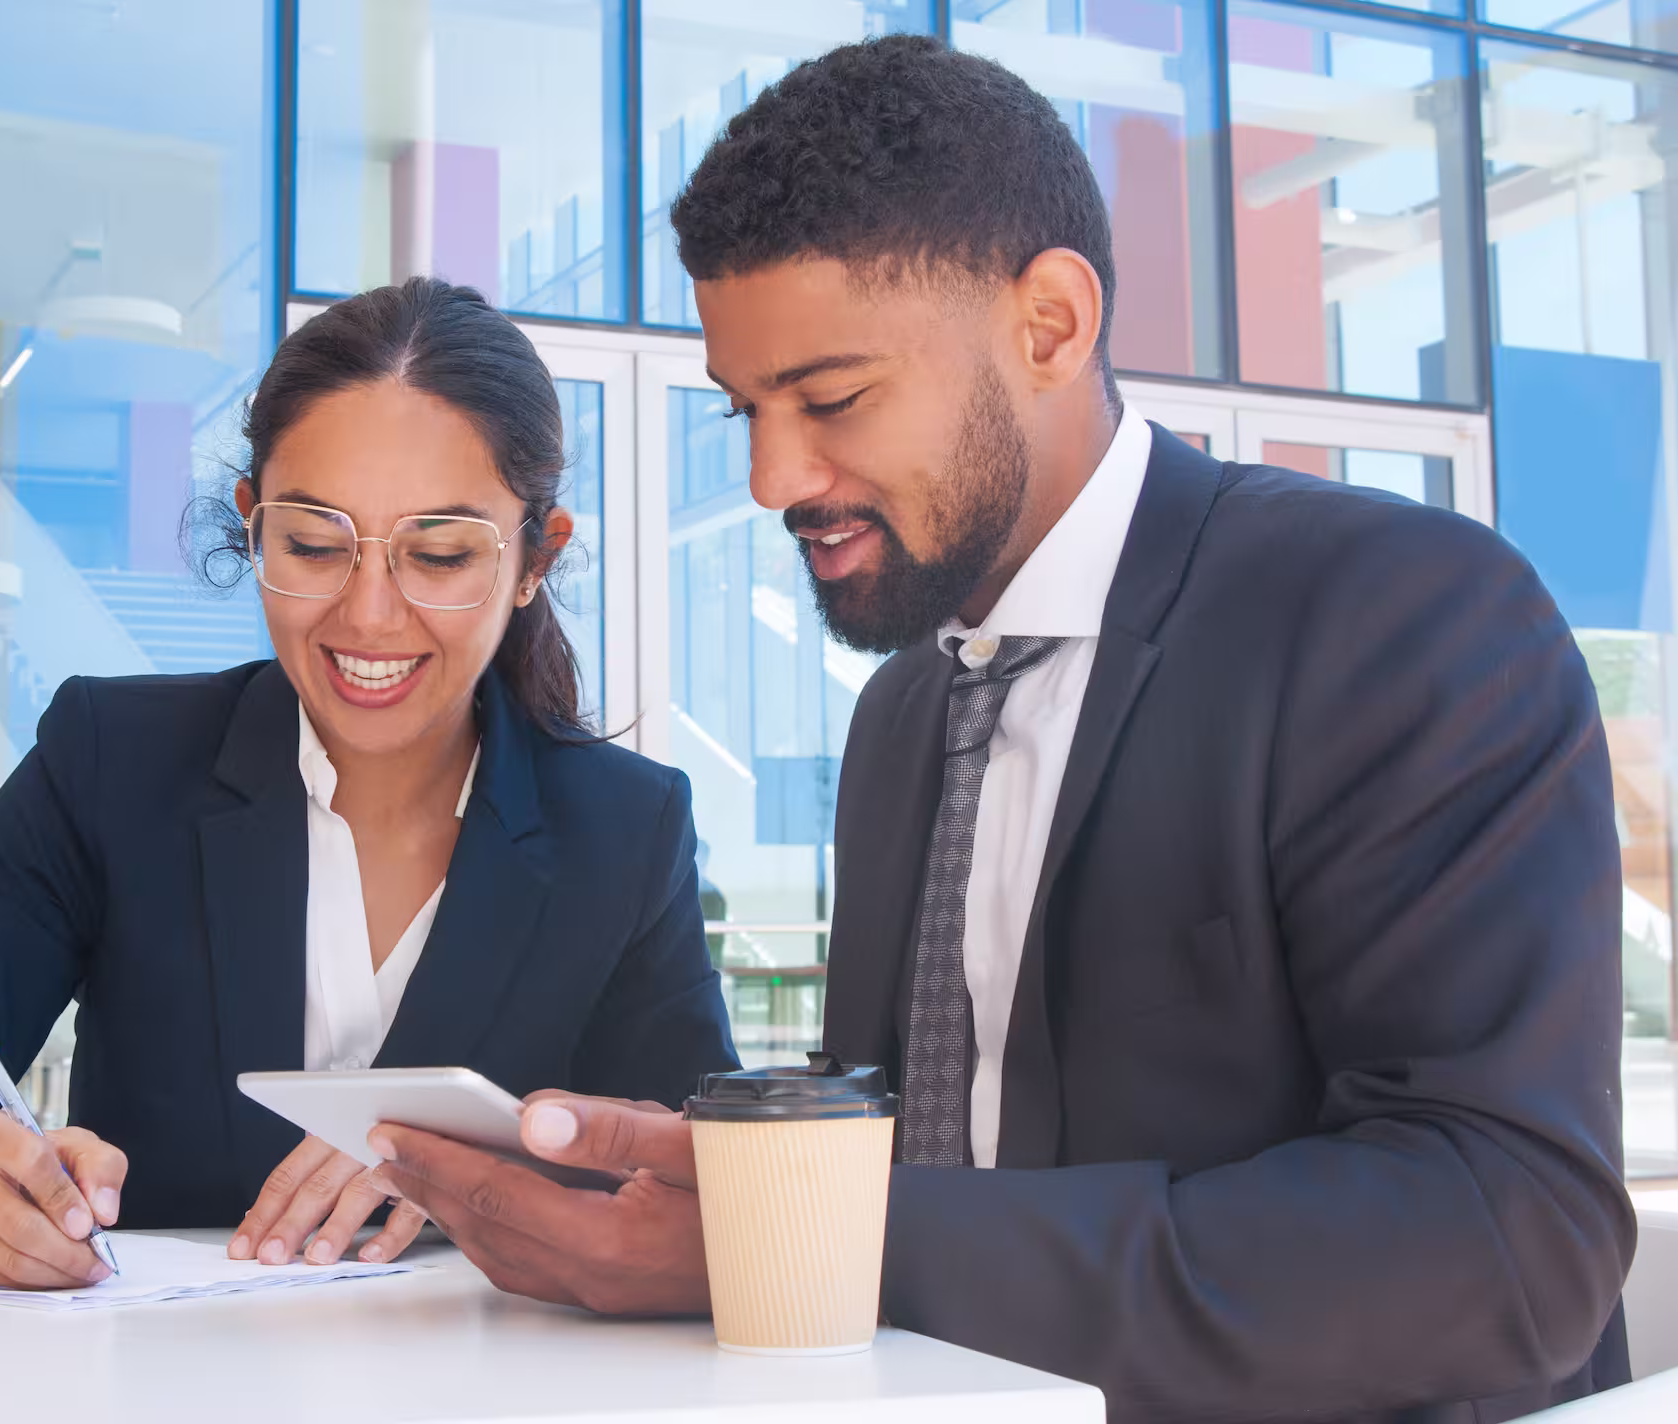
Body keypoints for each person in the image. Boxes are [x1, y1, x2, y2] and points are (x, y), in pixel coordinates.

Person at [363, 37, 1635, 1423]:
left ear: (1050, 325)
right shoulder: (911, 711)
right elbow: (941, 1168)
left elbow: (1506, 1241)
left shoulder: (1398, 616)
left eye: (832, 399)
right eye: (747, 410)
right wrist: (711, 1182)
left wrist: (810, 1245)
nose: (773, 476)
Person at [0, 278, 736, 1289]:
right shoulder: (112, 762)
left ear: (537, 556)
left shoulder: (625, 827)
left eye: (438, 554)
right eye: (311, 543)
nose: (368, 615)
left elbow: (706, 1180)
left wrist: (477, 1173)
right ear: (251, 522)